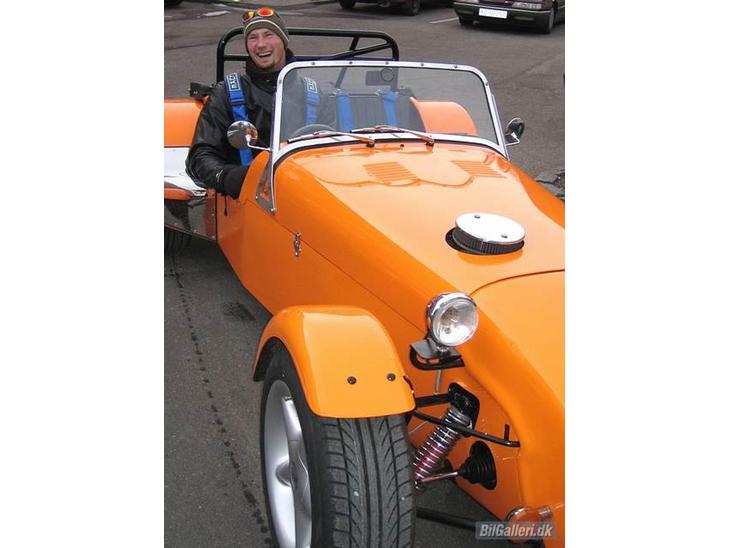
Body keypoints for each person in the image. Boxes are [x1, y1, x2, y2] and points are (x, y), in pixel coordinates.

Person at [185, 8, 293, 199]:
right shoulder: (225, 93)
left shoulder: (312, 92)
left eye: (268, 35)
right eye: (253, 38)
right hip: (249, 202)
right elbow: (200, 158)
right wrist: (230, 177)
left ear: (283, 40)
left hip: (306, 191)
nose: (261, 44)